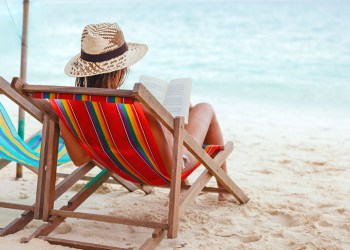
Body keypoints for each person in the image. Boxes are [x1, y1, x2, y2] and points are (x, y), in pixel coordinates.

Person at [61, 22, 232, 202]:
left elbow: (79, 159)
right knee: (205, 107)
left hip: (125, 167)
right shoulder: (137, 108)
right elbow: (170, 165)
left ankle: (184, 187)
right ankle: (224, 190)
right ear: (121, 70)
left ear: (84, 71)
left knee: (187, 107)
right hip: (168, 170)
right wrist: (164, 123)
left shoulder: (69, 109)